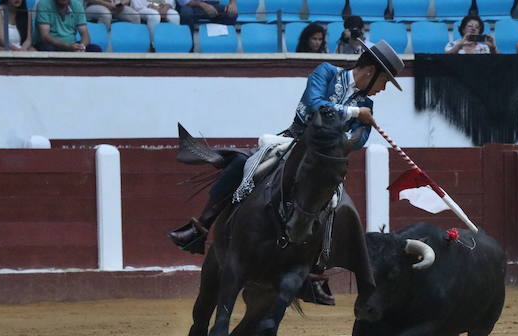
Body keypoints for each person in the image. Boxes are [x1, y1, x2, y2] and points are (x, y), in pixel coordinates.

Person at [169, 40, 403, 256]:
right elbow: (314, 105)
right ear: (371, 72)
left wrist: (350, 134)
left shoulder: (367, 104)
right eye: (384, 81)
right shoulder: (327, 73)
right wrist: (353, 113)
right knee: (242, 164)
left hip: (324, 161)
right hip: (292, 142)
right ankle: (201, 227)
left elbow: (359, 139)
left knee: (336, 205)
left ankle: (317, 267)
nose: (382, 89)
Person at [35, 0, 102, 51]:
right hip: (53, 45)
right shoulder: (43, 4)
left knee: (95, 49)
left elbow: (85, 35)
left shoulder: (77, 5)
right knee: (48, 49)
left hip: (72, 45)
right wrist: (67, 46)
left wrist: (81, 47)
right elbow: (45, 37)